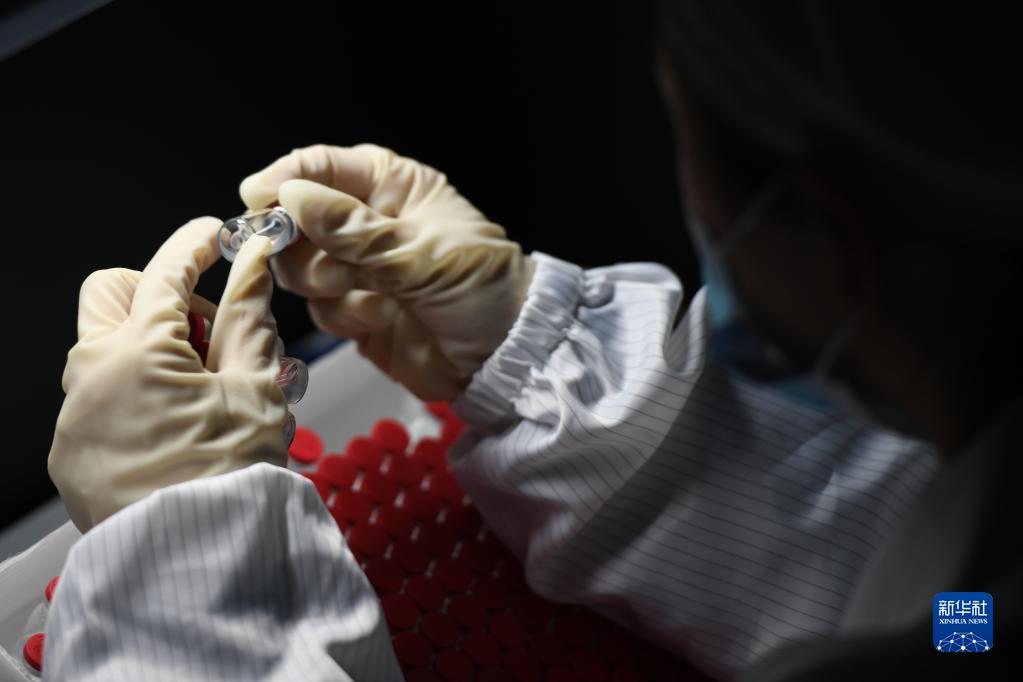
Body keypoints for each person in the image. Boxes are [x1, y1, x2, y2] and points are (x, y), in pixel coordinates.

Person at [41, 3, 1018, 680]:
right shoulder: (970, 620)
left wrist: (181, 576)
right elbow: (932, 600)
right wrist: (542, 354)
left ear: (834, 237)